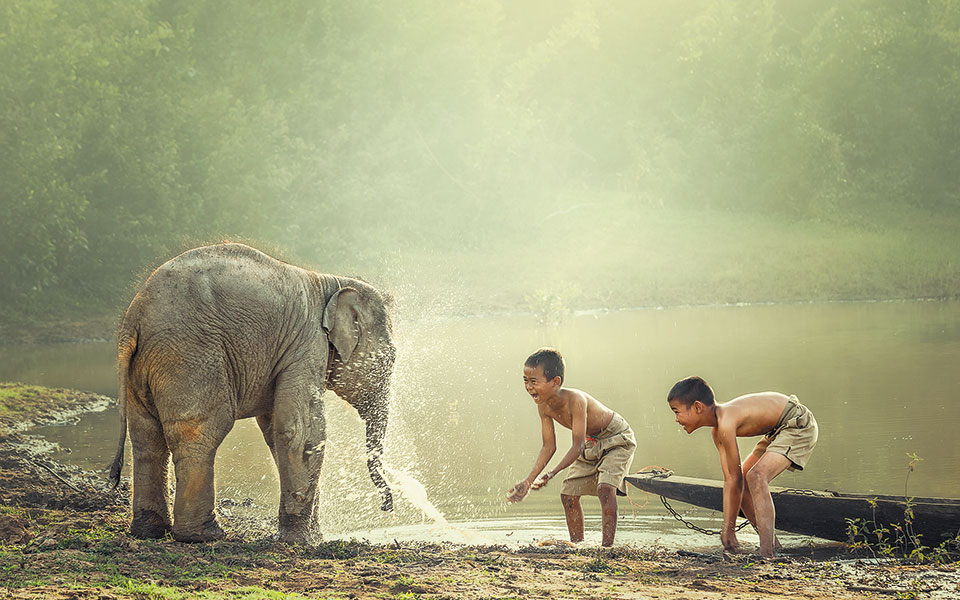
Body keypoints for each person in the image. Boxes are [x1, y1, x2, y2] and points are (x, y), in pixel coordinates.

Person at [666, 376, 818, 558]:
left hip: (796, 423)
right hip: (776, 430)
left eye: (677, 412)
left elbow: (734, 480)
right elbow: (732, 479)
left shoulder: (726, 421)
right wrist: (727, 527)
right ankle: (774, 546)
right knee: (747, 478)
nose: (676, 419)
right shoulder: (718, 431)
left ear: (697, 407)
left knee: (756, 476)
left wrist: (729, 528)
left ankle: (767, 554)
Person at [507, 348, 637, 547]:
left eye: (534, 381)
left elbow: (577, 445)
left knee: (605, 488)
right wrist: (528, 481)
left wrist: (551, 474)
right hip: (590, 442)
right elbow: (549, 447)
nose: (529, 387)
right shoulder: (543, 406)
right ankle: (577, 545)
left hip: (615, 439)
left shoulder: (576, 400)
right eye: (525, 380)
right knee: (568, 494)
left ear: (555, 381)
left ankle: (607, 548)